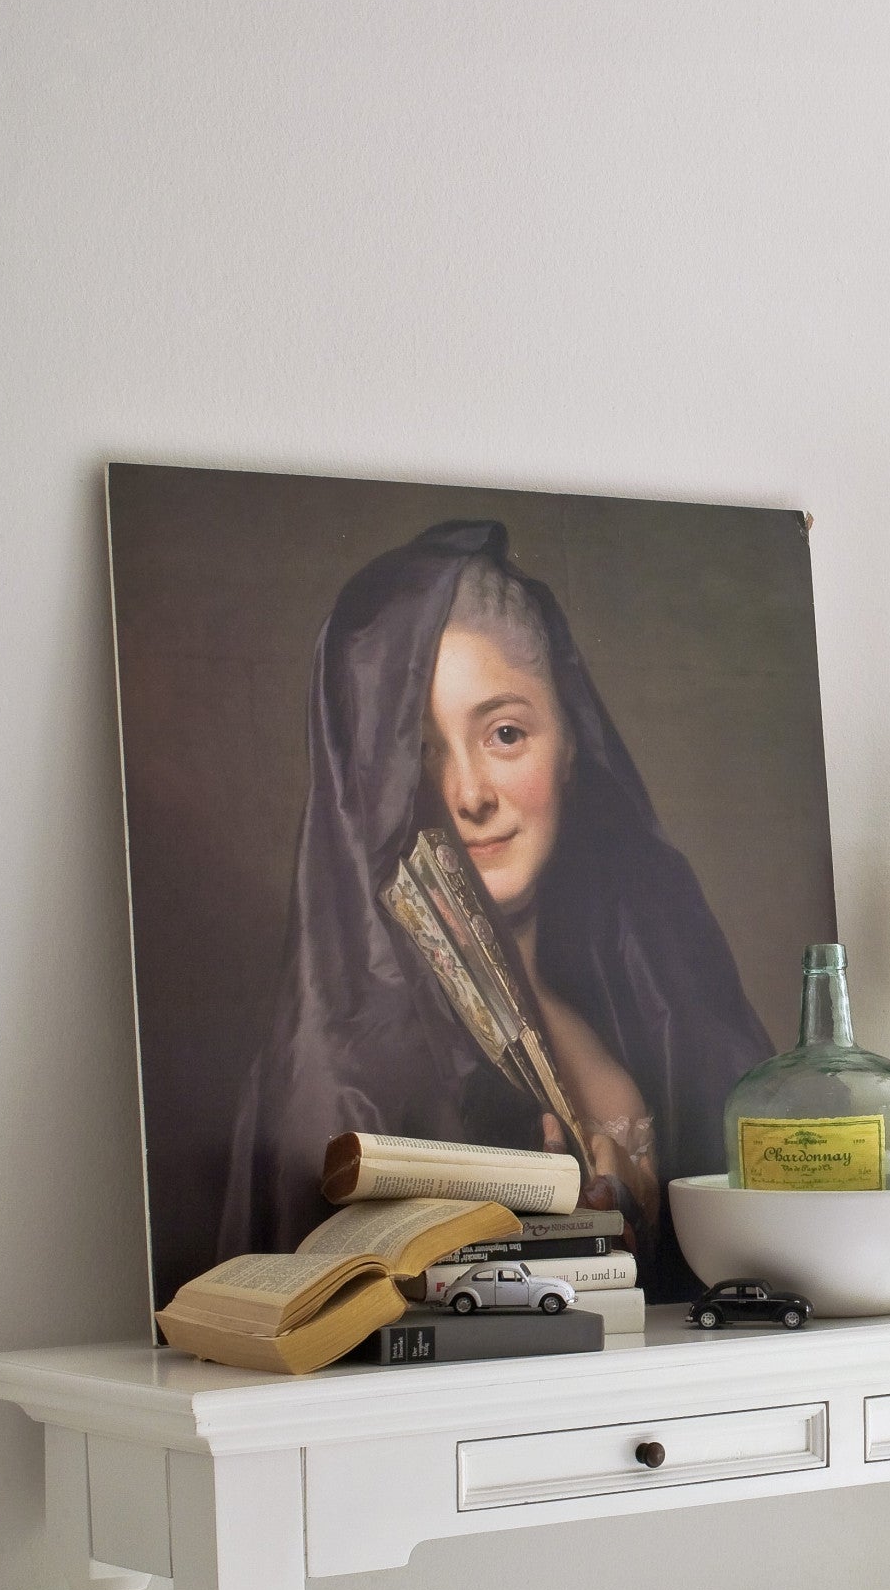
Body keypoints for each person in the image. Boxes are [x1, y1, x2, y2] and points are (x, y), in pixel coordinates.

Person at [218, 518, 774, 1287]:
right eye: (421, 753)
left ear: (569, 743)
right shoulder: (343, 1066)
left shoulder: (652, 978)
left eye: (505, 733)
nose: (470, 795)